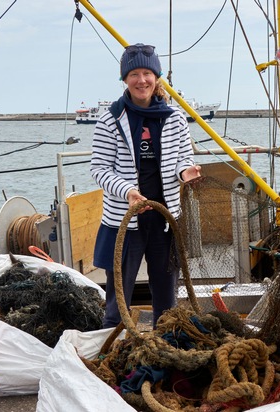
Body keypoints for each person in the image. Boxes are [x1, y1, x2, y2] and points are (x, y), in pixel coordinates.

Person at [90, 43, 201, 329]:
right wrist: (127, 191)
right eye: (134, 74)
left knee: (166, 297)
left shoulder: (175, 118)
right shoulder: (110, 119)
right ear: (124, 79)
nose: (142, 80)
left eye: (147, 73)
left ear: (157, 76)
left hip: (165, 221)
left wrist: (185, 173)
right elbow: (99, 169)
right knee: (118, 299)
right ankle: (110, 348)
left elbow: (182, 159)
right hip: (124, 221)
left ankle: (164, 348)